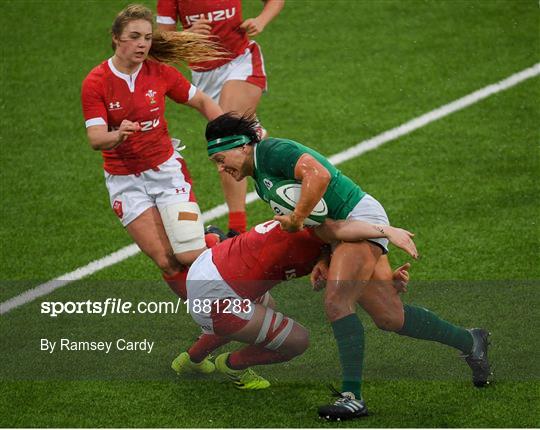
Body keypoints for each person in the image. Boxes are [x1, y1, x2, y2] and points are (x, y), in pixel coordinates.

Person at [205, 113, 492, 420]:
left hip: (360, 218)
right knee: (390, 316)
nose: (221, 168)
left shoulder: (274, 151)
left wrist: (297, 219)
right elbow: (323, 224)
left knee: (337, 300)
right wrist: (325, 257)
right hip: (344, 230)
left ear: (243, 147)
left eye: (222, 159)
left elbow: (319, 177)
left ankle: (352, 396)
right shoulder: (261, 182)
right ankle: (471, 340)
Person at [81, 4, 225, 296]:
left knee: (188, 255)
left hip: (166, 173)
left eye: (147, 37)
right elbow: (96, 138)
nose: (142, 44)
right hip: (125, 182)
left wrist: (231, 134)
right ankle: (213, 319)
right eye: (134, 36)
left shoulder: (160, 73)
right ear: (116, 38)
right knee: (167, 262)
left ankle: (222, 248)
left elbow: (203, 102)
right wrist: (117, 134)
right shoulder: (96, 82)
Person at [181, 218, 416, 389]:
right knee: (297, 341)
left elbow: (338, 241)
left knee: (265, 308)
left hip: (209, 266)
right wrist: (386, 232)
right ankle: (232, 365)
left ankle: (191, 360)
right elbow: (349, 280)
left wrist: (384, 281)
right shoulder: (317, 239)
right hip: (218, 297)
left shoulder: (299, 221)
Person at [156, 0, 285, 236]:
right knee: (241, 143)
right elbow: (159, 40)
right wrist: (186, 35)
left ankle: (236, 230)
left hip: (240, 61)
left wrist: (260, 20)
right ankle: (264, 145)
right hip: (203, 76)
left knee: (227, 143)